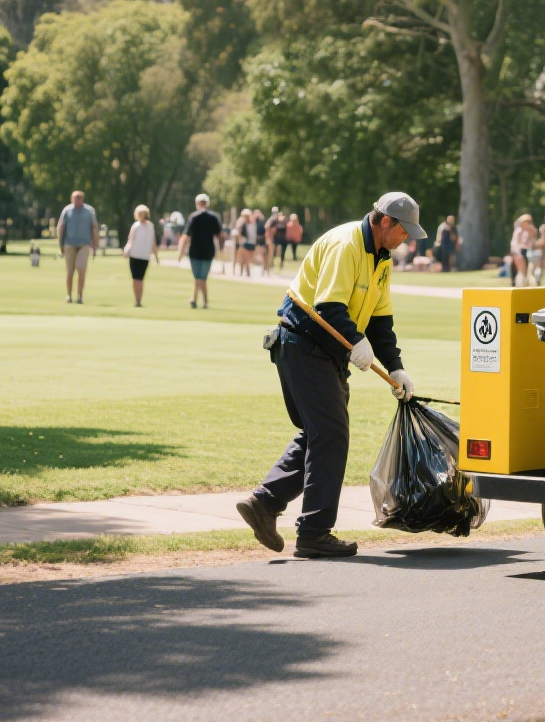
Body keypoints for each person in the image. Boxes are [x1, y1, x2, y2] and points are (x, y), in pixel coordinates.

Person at [235, 192, 426, 558]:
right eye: (405, 232)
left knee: (320, 434)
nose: (407, 240)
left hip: (324, 351)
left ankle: (264, 503)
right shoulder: (346, 244)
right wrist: (355, 341)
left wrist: (396, 366)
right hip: (303, 343)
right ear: (385, 222)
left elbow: (381, 323)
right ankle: (314, 533)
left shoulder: (382, 259)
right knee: (331, 434)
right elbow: (328, 307)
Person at [177, 194, 225, 309]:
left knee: (198, 277)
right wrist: (221, 250)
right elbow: (220, 236)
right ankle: (204, 301)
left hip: (195, 251)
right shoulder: (214, 217)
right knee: (202, 277)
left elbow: (186, 236)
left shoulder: (194, 217)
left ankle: (196, 299)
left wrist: (181, 252)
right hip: (208, 251)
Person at [57, 190, 98, 304]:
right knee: (70, 271)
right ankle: (69, 295)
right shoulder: (67, 211)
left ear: (83, 199)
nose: (77, 200)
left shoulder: (89, 211)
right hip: (69, 244)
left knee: (81, 268)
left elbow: (94, 228)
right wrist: (60, 244)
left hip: (84, 244)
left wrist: (95, 244)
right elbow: (61, 227)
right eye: (75, 198)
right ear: (71, 199)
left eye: (79, 198)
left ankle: (80, 296)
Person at [122, 204, 160, 307]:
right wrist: (127, 250)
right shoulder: (136, 226)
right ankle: (136, 299)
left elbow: (153, 242)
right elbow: (130, 240)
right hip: (135, 255)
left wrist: (156, 256)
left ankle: (139, 299)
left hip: (144, 256)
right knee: (135, 279)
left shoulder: (150, 226)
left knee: (140, 279)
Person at [509, 214, 535, 287]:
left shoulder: (529, 231)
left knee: (526, 271)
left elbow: (531, 242)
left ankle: (525, 283)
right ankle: (519, 284)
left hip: (524, 251)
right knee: (521, 271)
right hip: (517, 252)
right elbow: (517, 243)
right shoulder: (519, 231)